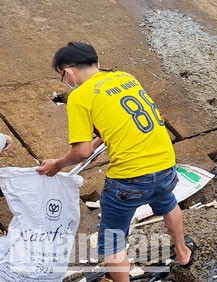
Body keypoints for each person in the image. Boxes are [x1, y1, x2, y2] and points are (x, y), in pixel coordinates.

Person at [37, 42, 194, 282]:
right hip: (165, 164)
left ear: (68, 72)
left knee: (112, 241)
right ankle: (183, 253)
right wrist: (102, 140)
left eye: (63, 77)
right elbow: (120, 122)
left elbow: (80, 152)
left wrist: (57, 164)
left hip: (129, 178)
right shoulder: (125, 77)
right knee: (167, 202)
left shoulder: (80, 96)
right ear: (97, 63)